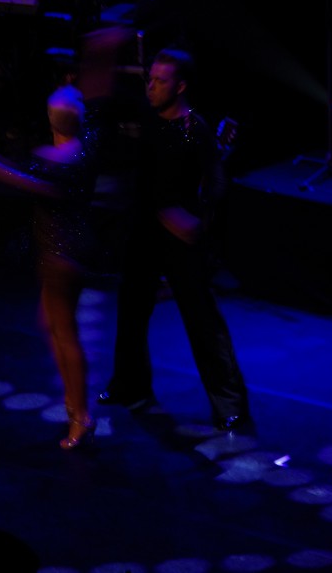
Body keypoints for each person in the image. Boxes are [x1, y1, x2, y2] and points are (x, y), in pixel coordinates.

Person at [95, 46, 252, 434]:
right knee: (131, 312)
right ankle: (130, 385)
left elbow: (215, 183)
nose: (151, 86)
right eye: (150, 78)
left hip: (179, 238)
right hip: (144, 231)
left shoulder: (195, 129)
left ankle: (230, 405)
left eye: (160, 80)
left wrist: (197, 221)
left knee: (202, 321)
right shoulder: (146, 119)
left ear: (180, 86)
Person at [0, 83, 101, 450]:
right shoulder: (82, 150)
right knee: (50, 324)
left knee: (65, 332)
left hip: (61, 255)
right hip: (69, 249)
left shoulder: (57, 160)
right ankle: (74, 407)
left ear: (50, 119)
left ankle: (80, 416)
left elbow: (21, 179)